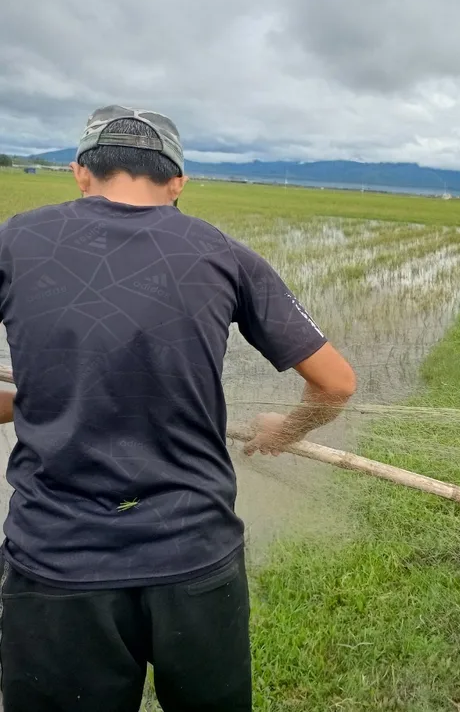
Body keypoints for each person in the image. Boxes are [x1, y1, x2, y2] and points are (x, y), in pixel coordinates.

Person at [0, 105, 357, 712]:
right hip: (195, 559)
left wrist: (26, 403)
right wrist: (289, 427)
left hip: (56, 563)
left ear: (81, 172)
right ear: (177, 183)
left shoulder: (14, 240)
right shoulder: (224, 254)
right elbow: (337, 384)